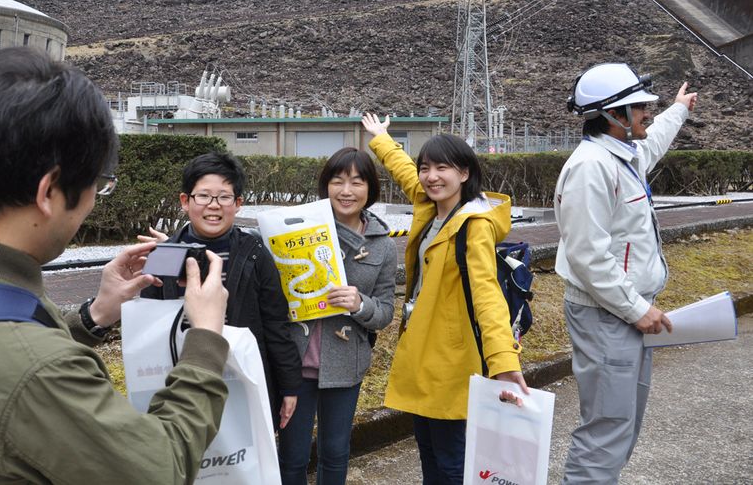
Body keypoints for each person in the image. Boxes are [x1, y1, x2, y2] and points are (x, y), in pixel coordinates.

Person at [0, 47, 231, 484]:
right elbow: (162, 469)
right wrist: (204, 339)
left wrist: (95, 315)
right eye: (96, 186)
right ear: (48, 192)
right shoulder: (40, 372)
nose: (91, 203)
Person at [361, 113, 527, 485]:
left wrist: (503, 359)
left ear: (465, 173)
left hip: (452, 358)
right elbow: (405, 171)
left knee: (452, 460)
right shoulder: (431, 205)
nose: (431, 176)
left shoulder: (474, 225)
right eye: (426, 168)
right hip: (424, 350)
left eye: (442, 168)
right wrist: (382, 138)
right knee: (429, 453)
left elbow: (487, 293)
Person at [555, 63, 698, 483]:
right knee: (606, 429)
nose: (646, 114)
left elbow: (650, 144)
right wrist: (637, 309)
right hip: (607, 316)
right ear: (612, 115)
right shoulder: (590, 167)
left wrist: (678, 110)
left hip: (621, 314)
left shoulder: (622, 155)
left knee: (621, 426)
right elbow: (588, 257)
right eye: (639, 108)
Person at [140, 151, 302, 430]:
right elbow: (148, 325)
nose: (213, 206)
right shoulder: (165, 254)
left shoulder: (255, 254)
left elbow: (276, 324)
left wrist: (289, 385)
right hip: (182, 376)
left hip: (242, 376)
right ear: (184, 201)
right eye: (203, 196)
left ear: (238, 203)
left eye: (224, 197)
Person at [277, 147, 397, 485]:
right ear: (325, 186)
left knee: (335, 451)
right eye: (338, 181)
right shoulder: (298, 231)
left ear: (370, 189)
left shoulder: (383, 245)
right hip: (295, 362)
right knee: (292, 453)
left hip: (346, 361)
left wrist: (360, 304)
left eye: (357, 182)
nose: (347, 191)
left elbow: (386, 311)